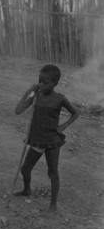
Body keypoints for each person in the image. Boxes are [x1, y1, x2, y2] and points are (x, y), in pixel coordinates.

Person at [14, 64, 79, 213]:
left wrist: (63, 126)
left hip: (52, 142)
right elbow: (17, 110)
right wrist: (29, 91)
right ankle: (26, 190)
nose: (41, 85)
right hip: (37, 139)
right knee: (25, 169)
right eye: (40, 81)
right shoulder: (35, 97)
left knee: (52, 172)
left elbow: (75, 113)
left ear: (55, 84)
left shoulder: (60, 99)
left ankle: (53, 205)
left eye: (46, 83)